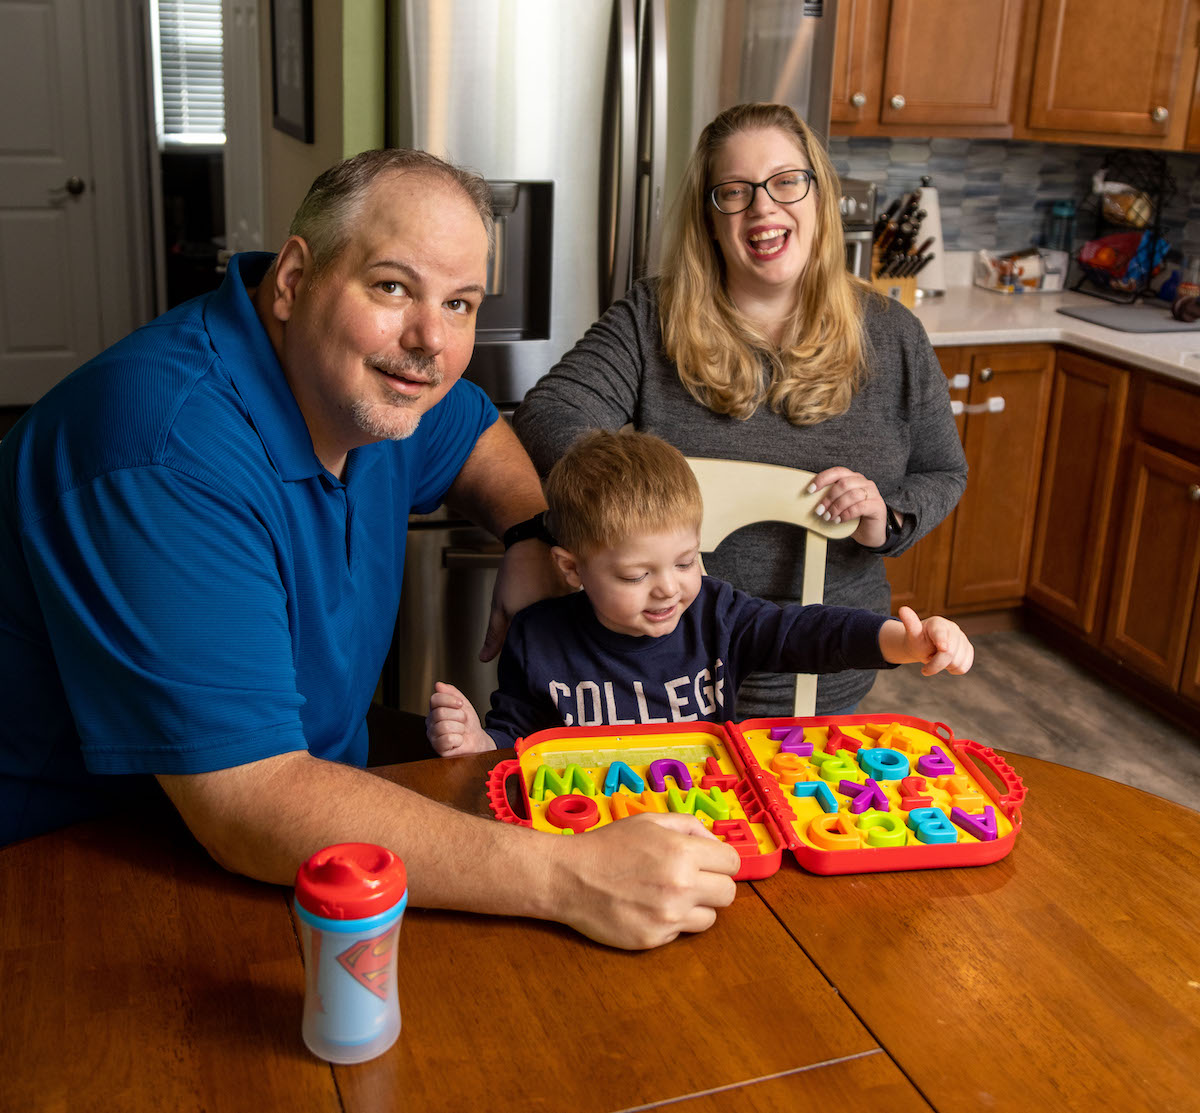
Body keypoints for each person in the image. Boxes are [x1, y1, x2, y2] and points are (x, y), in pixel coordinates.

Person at [0, 148, 740, 950]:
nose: (429, 340)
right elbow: (248, 800)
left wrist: (532, 530)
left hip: (307, 803)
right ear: (291, 281)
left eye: (460, 303)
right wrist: (568, 877)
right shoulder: (165, 451)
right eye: (393, 287)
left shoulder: (372, 389)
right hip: (79, 859)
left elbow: (474, 428)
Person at [513, 102, 968, 718]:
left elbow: (945, 471)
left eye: (786, 182)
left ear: (820, 194)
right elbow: (548, 412)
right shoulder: (654, 318)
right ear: (710, 215)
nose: (763, 209)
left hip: (827, 678)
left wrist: (885, 518)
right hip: (665, 686)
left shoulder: (893, 333)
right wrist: (635, 496)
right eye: (735, 191)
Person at [427, 430, 973, 755]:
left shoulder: (718, 613)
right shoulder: (537, 636)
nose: (669, 588)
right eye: (636, 576)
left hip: (709, 817)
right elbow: (515, 735)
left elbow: (807, 631)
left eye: (687, 561)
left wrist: (900, 642)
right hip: (587, 836)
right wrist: (481, 743)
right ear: (573, 570)